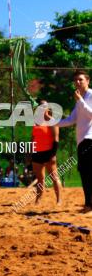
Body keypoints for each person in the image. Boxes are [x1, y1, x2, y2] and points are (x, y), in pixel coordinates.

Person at [53, 70, 92, 212]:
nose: (77, 82)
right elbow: (71, 120)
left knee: (88, 172)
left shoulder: (90, 95)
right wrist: (53, 123)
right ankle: (88, 204)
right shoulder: (79, 100)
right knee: (84, 172)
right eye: (75, 80)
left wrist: (80, 101)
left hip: (90, 139)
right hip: (82, 141)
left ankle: (89, 205)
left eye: (81, 79)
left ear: (88, 81)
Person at [31, 101, 61, 206]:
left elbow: (56, 139)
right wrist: (30, 152)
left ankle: (58, 200)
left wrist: (53, 154)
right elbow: (33, 138)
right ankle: (38, 200)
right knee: (40, 179)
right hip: (37, 153)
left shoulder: (52, 121)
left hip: (49, 153)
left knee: (54, 177)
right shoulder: (36, 121)